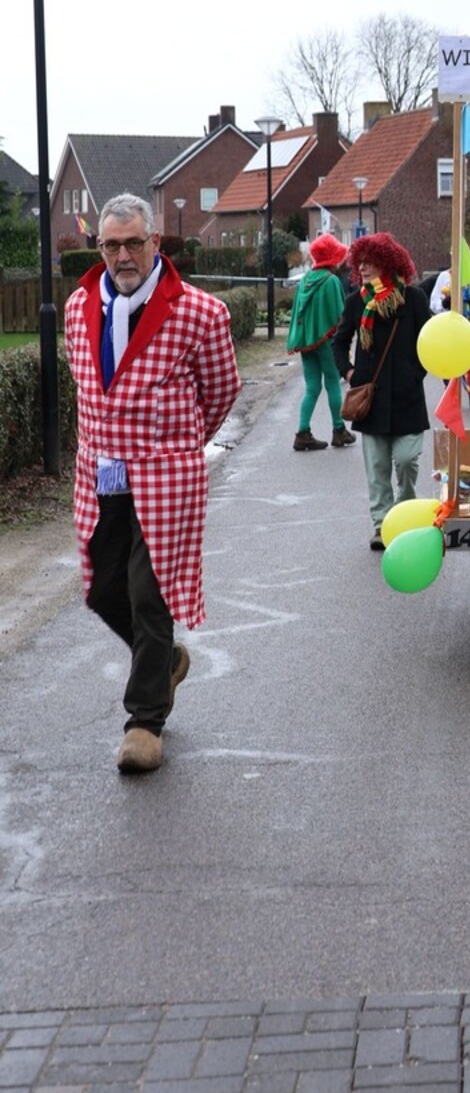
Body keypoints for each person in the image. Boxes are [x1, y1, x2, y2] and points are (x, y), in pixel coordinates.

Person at [64, 193, 242, 773]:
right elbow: (86, 386)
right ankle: (165, 662)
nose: (123, 256)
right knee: (101, 589)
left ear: (155, 242)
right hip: (101, 475)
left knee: (150, 591)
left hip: (165, 478)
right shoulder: (78, 306)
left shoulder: (199, 313)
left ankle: (144, 722)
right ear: (100, 247)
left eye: (134, 243)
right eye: (111, 245)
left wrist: (177, 448)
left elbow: (221, 391)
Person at [332, 232, 432, 550]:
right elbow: (339, 343)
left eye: (370, 262)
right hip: (371, 401)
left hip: (407, 398)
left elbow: (430, 340)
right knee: (377, 470)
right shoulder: (356, 301)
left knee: (406, 461)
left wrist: (416, 374)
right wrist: (349, 372)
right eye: (359, 262)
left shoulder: (414, 299)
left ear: (388, 263)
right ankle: (382, 525)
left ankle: (405, 513)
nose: (362, 268)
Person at [286, 232, 356, 450]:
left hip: (306, 342)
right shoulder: (331, 280)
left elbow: (297, 313)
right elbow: (339, 314)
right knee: (332, 383)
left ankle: (302, 432)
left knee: (312, 387)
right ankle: (339, 430)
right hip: (327, 341)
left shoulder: (305, 280)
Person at [429, 268, 470, 410]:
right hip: (449, 326)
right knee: (448, 361)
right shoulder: (445, 277)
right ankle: (450, 394)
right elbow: (434, 303)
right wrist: (444, 304)